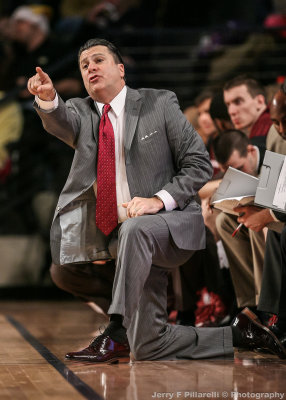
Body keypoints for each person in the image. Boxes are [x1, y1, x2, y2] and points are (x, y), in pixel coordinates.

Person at [27, 38, 286, 361]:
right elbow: (62, 121)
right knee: (150, 344)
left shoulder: (158, 103)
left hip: (171, 223)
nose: (90, 67)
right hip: (123, 236)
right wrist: (49, 99)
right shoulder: (82, 113)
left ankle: (117, 329)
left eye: (98, 60)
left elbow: (199, 164)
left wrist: (158, 200)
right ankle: (239, 334)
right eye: (83, 65)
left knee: (137, 229)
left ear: (121, 70)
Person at [214, 130, 266, 309]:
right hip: (260, 209)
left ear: (251, 151)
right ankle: (249, 304)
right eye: (229, 173)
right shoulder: (240, 161)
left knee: (255, 224)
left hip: (275, 214)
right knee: (223, 222)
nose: (238, 178)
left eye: (240, 169)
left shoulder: (269, 151)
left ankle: (266, 304)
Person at [223, 75, 272, 139]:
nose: (231, 111)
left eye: (238, 101)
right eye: (228, 105)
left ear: (259, 101)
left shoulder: (270, 129)